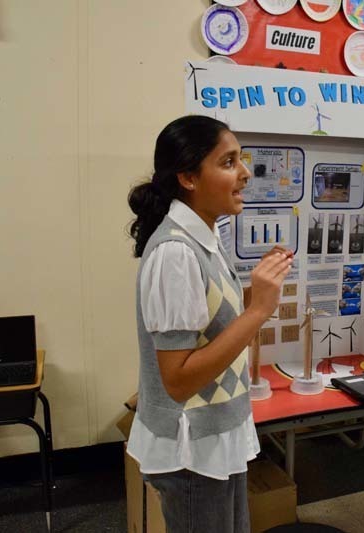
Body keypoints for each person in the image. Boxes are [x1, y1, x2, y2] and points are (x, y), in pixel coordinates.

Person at [126, 115, 293, 533]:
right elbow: (178, 379)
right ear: (187, 177)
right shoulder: (176, 254)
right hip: (192, 449)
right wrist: (257, 312)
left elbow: (211, 328)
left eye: (241, 160)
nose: (244, 173)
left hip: (216, 436)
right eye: (228, 162)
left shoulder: (207, 236)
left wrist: (256, 291)